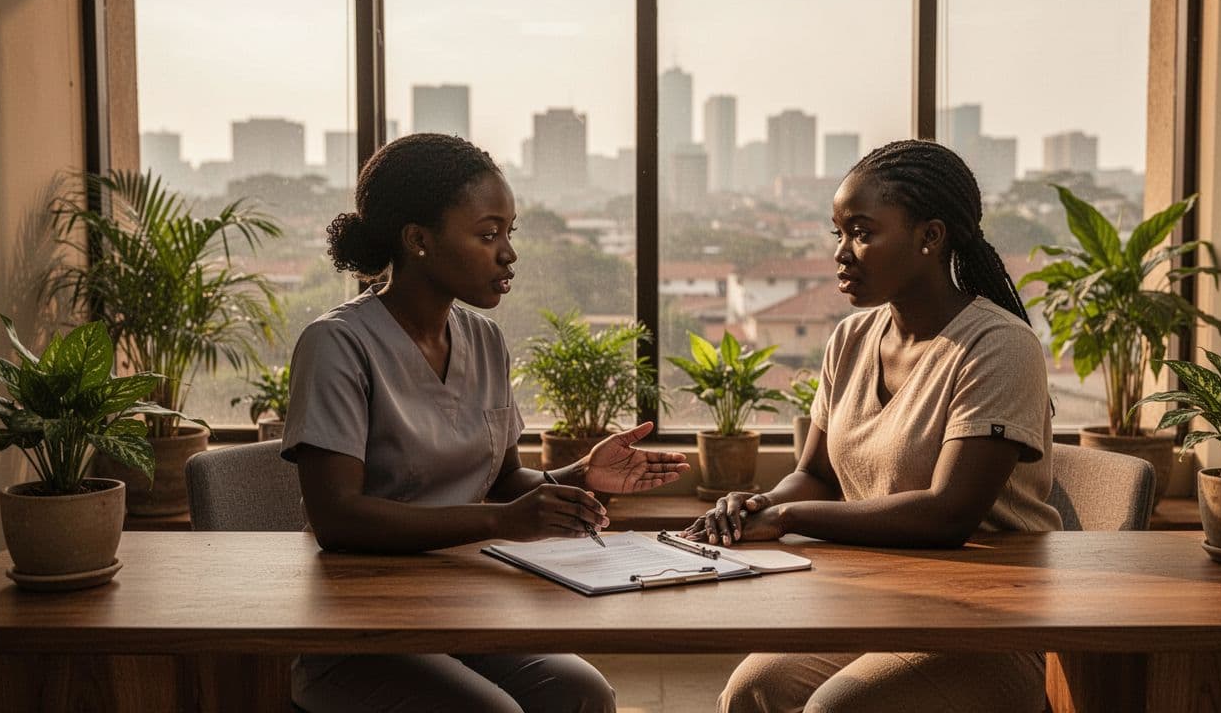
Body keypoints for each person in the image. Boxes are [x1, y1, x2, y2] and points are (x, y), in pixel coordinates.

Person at [281, 133, 690, 713]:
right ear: (418, 240)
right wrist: (502, 519)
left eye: (509, 233)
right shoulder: (338, 345)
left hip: (463, 604)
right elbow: (337, 518)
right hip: (362, 627)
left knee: (583, 691)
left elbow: (503, 484)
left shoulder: (484, 339)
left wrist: (580, 475)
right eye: (487, 234)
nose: (508, 254)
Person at [684, 139, 1063, 713]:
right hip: (882, 602)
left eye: (861, 232)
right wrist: (759, 503)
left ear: (930, 238)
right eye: (837, 232)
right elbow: (813, 474)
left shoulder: (999, 348)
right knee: (754, 690)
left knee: (838, 708)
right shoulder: (851, 339)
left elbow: (947, 514)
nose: (842, 252)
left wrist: (787, 517)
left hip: (992, 624)